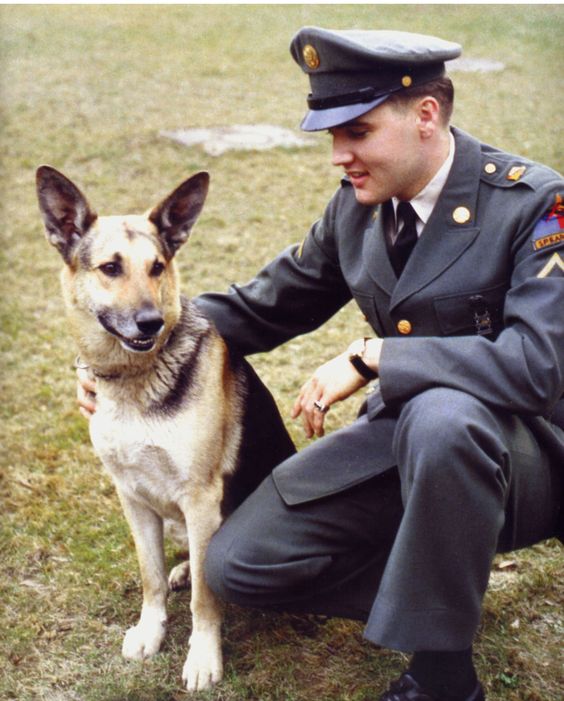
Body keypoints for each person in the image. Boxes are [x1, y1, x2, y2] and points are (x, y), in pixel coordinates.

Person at [77, 27, 564, 701]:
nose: (339, 155)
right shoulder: (358, 207)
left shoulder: (534, 203)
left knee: (444, 417)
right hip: (400, 446)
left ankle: (443, 667)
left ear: (426, 115)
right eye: (331, 135)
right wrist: (124, 357)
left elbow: (538, 365)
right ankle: (435, 577)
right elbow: (259, 306)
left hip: (523, 458)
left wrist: (380, 356)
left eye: (357, 131)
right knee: (238, 564)